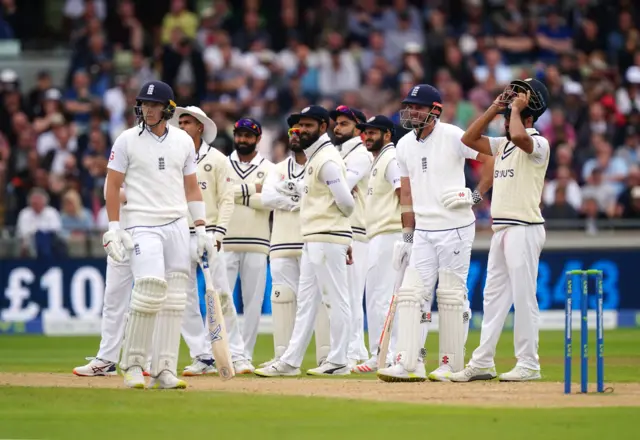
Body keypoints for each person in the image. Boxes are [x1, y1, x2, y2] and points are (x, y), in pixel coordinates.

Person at [377, 84, 493, 383]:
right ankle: (410, 362)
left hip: (455, 227)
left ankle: (451, 363)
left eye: (418, 106)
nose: (412, 111)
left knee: (451, 297)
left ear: (435, 110)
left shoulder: (454, 136)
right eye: (409, 106)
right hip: (424, 231)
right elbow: (406, 193)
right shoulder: (403, 145)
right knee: (412, 295)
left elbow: (492, 159)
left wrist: (475, 197)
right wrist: (406, 234)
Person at [103, 80, 214, 389]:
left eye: (154, 105)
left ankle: (164, 368)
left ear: (168, 108)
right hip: (141, 222)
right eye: (144, 104)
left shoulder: (182, 141)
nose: (148, 110)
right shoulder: (126, 140)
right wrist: (114, 227)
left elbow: (191, 188)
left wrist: (201, 228)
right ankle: (134, 366)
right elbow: (112, 185)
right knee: (150, 288)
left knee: (175, 297)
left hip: (177, 223)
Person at [450, 78, 550, 382]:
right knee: (492, 298)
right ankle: (483, 362)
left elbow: (521, 135)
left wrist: (517, 109)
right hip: (502, 228)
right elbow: (468, 138)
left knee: (524, 297)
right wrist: (496, 106)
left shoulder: (538, 143)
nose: (507, 122)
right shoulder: (503, 145)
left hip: (525, 228)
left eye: (511, 117)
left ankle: (529, 363)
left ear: (528, 116)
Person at [255, 105, 355, 377]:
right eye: (299, 125)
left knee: (336, 298)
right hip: (314, 237)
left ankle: (339, 360)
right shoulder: (316, 157)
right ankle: (290, 361)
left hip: (326, 236)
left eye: (309, 125)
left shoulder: (326, 159)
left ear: (323, 127)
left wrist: (336, 226)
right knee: (308, 302)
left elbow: (347, 202)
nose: (301, 130)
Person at [168, 106, 254, 375]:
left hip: (210, 233)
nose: (181, 127)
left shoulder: (217, 159)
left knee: (221, 293)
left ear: (200, 127)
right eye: (179, 122)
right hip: (180, 232)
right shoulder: (172, 158)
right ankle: (202, 355)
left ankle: (238, 354)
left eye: (187, 123)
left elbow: (226, 199)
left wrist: (219, 233)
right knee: (184, 296)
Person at [351, 115, 402, 373]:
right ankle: (386, 353)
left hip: (389, 234)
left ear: (388, 135)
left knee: (378, 297)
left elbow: (402, 192)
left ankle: (384, 354)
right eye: (366, 133)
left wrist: (409, 231)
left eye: (374, 132)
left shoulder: (390, 159)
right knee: (380, 297)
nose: (368, 137)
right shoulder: (378, 161)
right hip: (380, 235)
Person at [222, 118, 273, 366]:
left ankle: (245, 356)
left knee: (253, 304)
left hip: (258, 242)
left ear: (258, 138)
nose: (242, 140)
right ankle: (227, 352)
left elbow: (272, 201)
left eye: (248, 136)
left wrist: (237, 194)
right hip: (225, 241)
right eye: (239, 135)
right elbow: (219, 196)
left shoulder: (271, 168)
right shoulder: (221, 165)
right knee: (224, 301)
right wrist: (255, 189)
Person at [258, 119, 308, 365]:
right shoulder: (277, 168)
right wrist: (296, 200)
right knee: (282, 296)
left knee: (318, 300)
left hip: (311, 240)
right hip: (280, 242)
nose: (296, 135)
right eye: (292, 131)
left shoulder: (321, 166)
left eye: (300, 131)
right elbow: (267, 197)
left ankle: (326, 356)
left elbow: (321, 195)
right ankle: (282, 357)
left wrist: (289, 193)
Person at [329, 105, 372, 368]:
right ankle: (351, 349)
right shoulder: (338, 153)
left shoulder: (362, 154)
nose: (337, 128)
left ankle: (357, 351)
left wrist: (333, 184)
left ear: (358, 128)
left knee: (353, 294)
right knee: (343, 294)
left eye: (344, 123)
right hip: (344, 228)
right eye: (337, 123)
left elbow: (340, 186)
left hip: (359, 230)